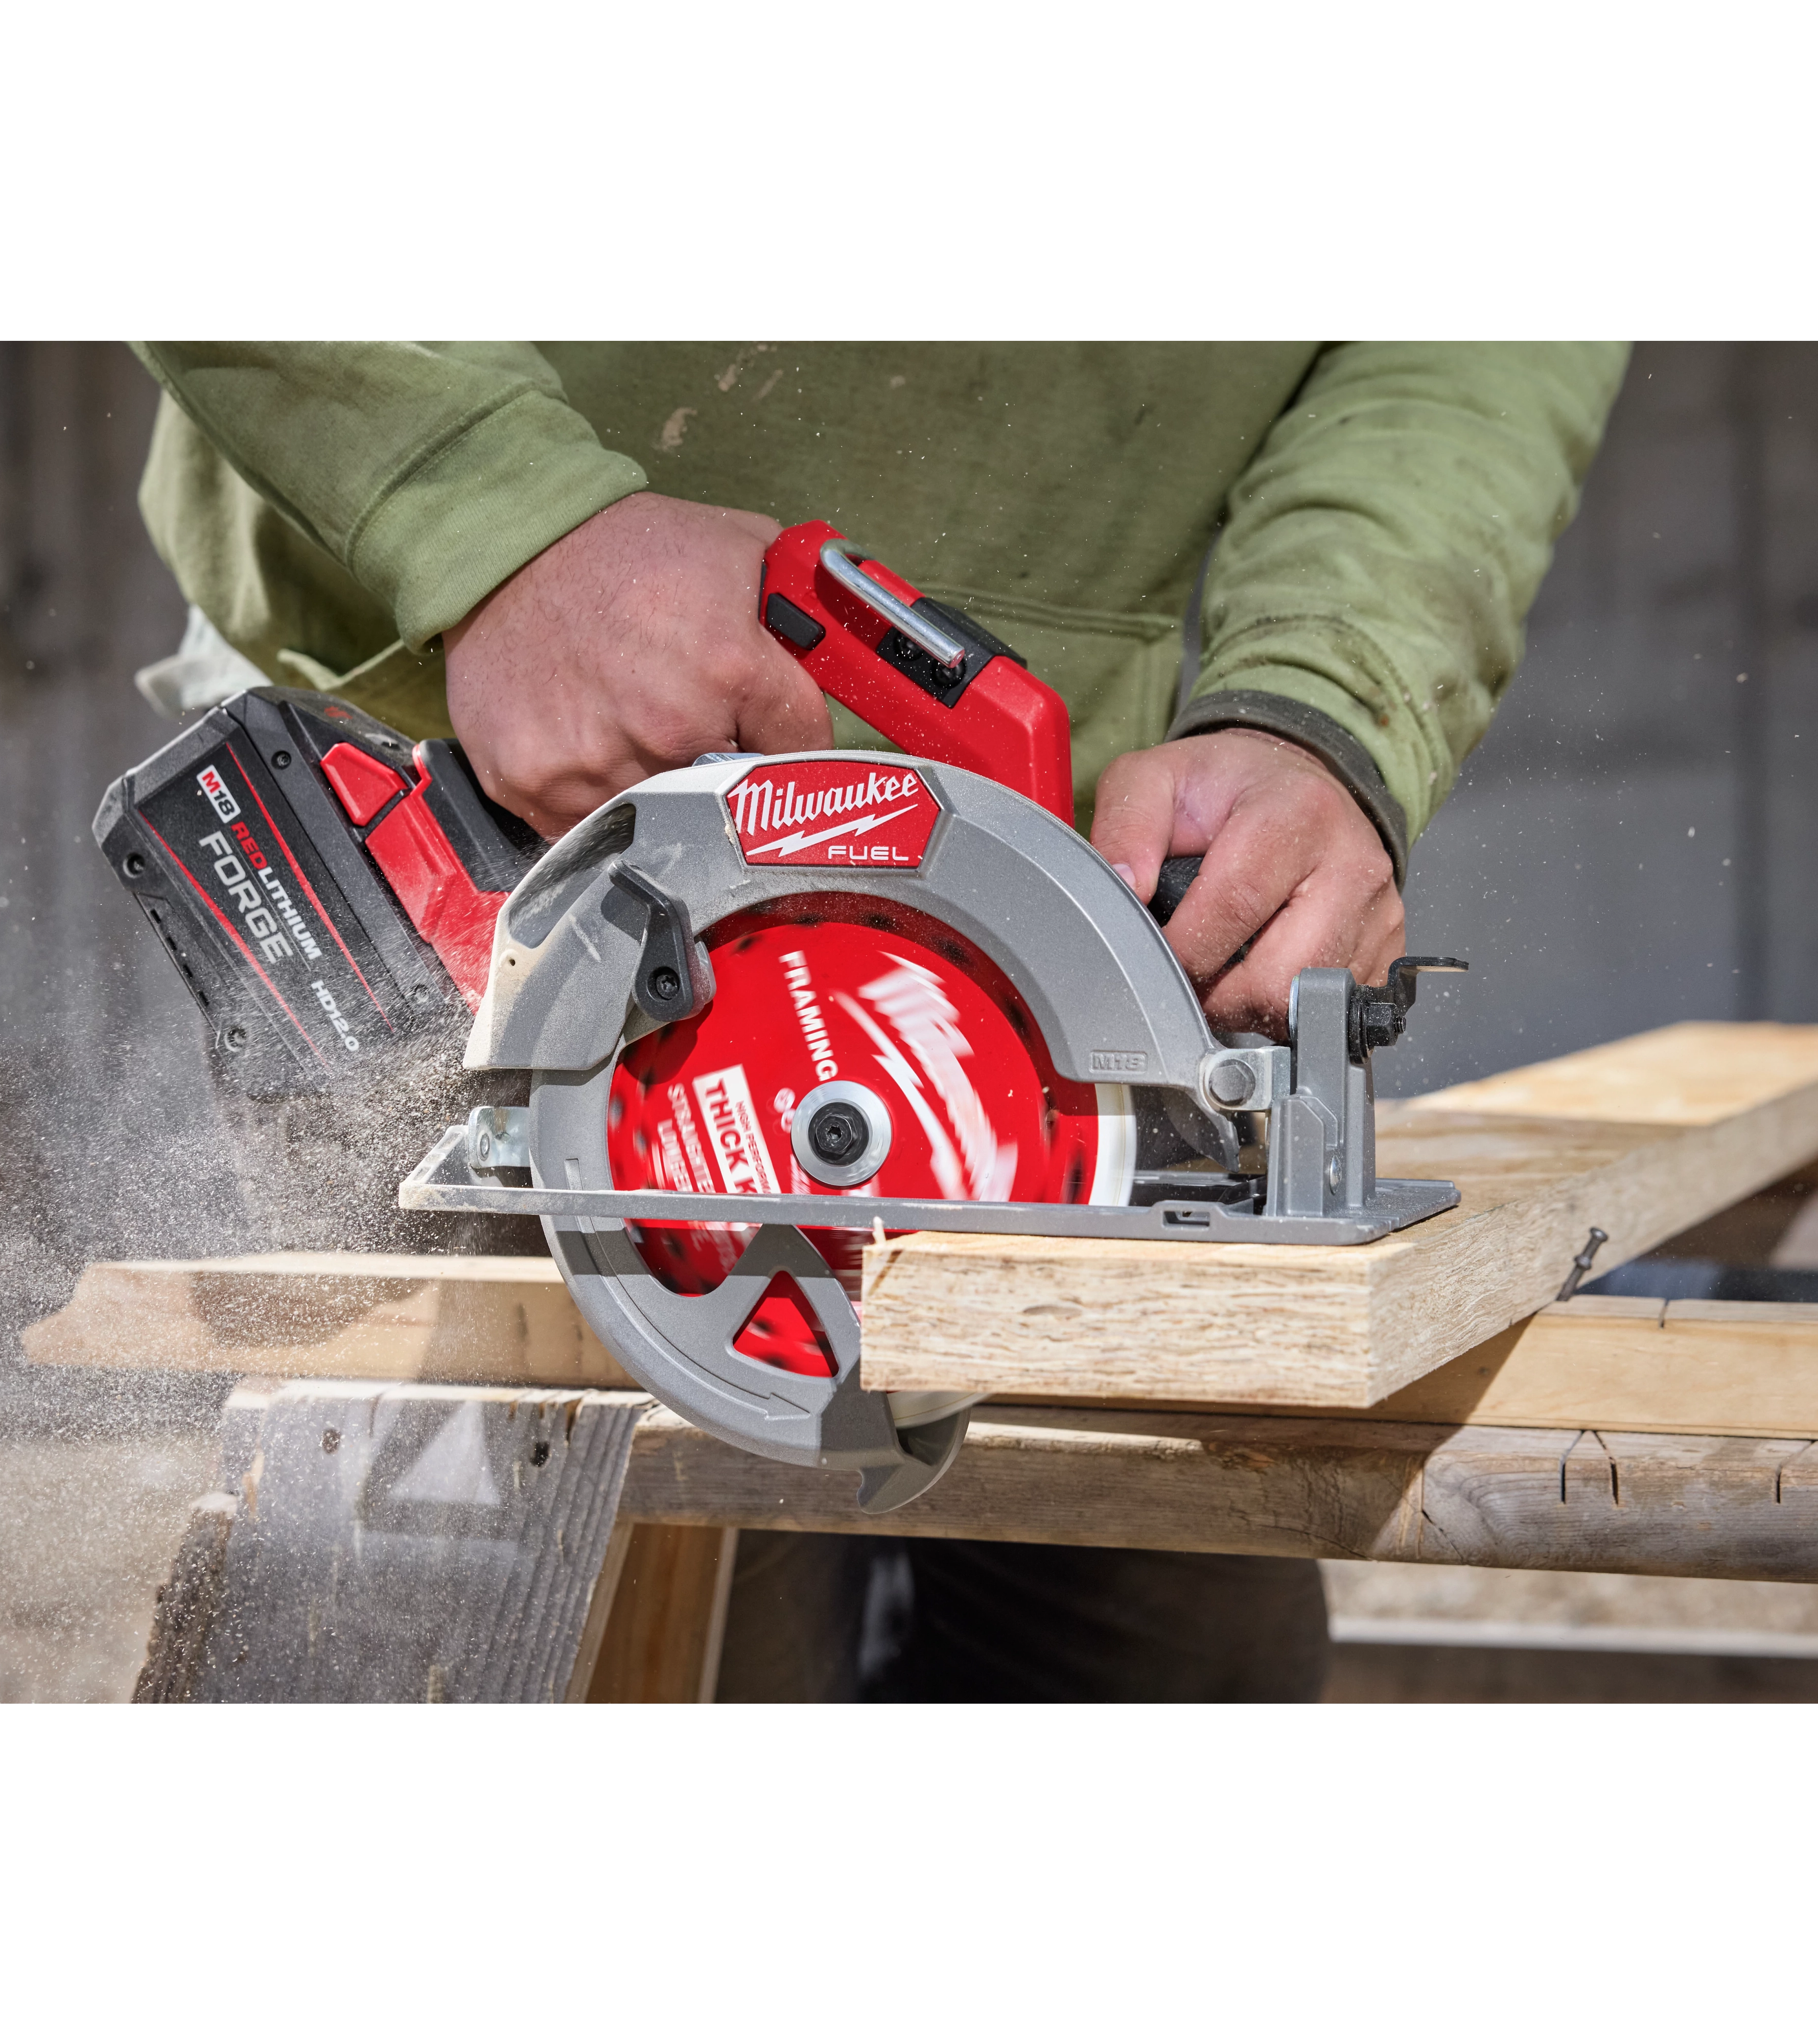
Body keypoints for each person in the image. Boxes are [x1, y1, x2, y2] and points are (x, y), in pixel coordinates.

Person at [128, 339, 1629, 1703]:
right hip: (500, 711)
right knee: (634, 1645)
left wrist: (1321, 698)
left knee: (1177, 1659)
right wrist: (495, 516)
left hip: (1055, 934)